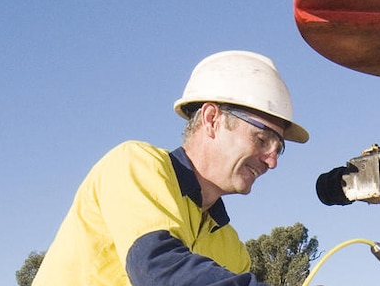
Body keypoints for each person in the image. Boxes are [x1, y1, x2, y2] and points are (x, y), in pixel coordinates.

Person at [33, 50, 309, 285]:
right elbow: (157, 268)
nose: (271, 162)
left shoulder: (232, 251)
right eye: (262, 140)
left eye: (278, 150)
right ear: (212, 119)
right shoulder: (134, 165)